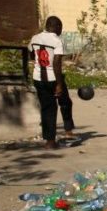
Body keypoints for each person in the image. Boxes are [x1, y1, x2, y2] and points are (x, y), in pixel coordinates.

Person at [29, 16, 74, 149]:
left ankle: (65, 131)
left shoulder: (35, 38)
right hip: (53, 78)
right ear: (57, 27)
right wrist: (59, 84)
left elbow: (32, 54)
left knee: (50, 107)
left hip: (38, 78)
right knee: (56, 106)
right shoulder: (56, 41)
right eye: (61, 28)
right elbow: (56, 64)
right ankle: (51, 141)